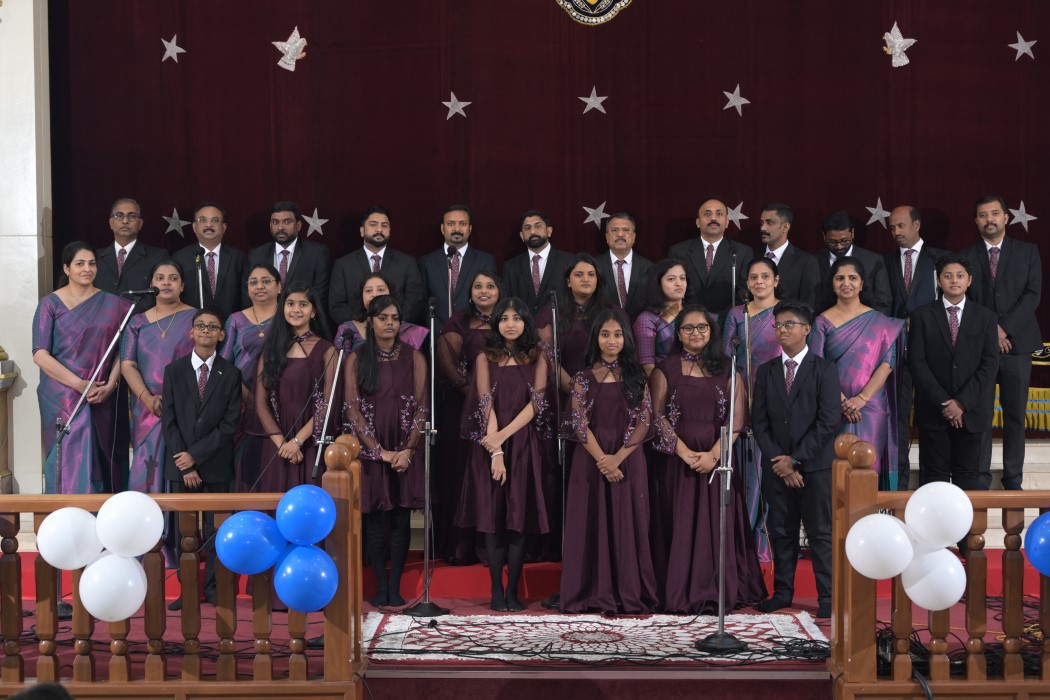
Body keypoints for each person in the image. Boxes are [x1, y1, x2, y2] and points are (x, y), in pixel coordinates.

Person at [650, 305, 766, 612]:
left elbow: (737, 420)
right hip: (677, 464)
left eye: (702, 327)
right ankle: (678, 592)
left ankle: (715, 590)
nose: (695, 333)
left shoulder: (728, 369)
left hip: (719, 463)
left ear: (711, 332)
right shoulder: (665, 369)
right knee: (679, 523)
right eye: (688, 328)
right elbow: (657, 417)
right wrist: (685, 453)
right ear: (678, 334)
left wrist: (715, 454)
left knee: (716, 527)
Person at [457, 297, 553, 611]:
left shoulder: (538, 356)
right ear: (496, 323)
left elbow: (536, 404)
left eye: (517, 318)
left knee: (518, 517)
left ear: (526, 323)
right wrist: (496, 449)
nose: (510, 324)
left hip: (523, 442)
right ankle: (496, 590)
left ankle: (513, 591)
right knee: (493, 517)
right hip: (490, 443)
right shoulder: (485, 357)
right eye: (504, 318)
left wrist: (504, 436)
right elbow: (485, 402)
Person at [560, 310, 657, 614]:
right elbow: (579, 423)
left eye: (617, 334)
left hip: (629, 456)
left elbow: (644, 421)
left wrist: (618, 458)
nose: (611, 340)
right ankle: (591, 591)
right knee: (590, 522)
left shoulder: (637, 376)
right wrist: (603, 459)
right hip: (590, 458)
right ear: (596, 339)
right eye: (605, 334)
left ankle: (629, 591)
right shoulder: (582, 377)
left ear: (626, 339)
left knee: (630, 523)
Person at [752, 300, 841, 619]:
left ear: (806, 329)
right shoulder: (766, 371)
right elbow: (759, 422)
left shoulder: (825, 369)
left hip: (815, 468)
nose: (782, 330)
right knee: (781, 532)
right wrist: (781, 461)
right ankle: (782, 593)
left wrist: (796, 460)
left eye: (789, 324)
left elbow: (828, 422)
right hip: (777, 468)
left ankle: (827, 597)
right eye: (778, 325)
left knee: (820, 533)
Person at [344, 296, 428, 607]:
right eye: (383, 318)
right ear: (371, 321)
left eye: (394, 317)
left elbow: (422, 407)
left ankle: (395, 586)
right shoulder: (356, 358)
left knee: (401, 519)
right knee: (377, 520)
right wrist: (379, 451)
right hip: (372, 452)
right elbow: (352, 409)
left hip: (406, 449)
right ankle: (380, 586)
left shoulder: (414, 357)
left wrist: (408, 450)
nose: (389, 323)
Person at [33, 242, 132, 494]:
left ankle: (101, 514)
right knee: (66, 454)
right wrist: (79, 384)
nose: (87, 269)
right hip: (61, 395)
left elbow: (123, 351)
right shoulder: (50, 304)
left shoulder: (114, 304)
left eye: (92, 263)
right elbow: (40, 355)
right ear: (67, 268)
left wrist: (111, 385)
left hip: (101, 393)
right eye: (80, 263)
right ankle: (65, 511)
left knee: (102, 457)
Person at [162, 309, 243, 608]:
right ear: (191, 332)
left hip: (216, 464)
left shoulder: (231, 374)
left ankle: (214, 588)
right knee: (185, 533)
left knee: (216, 531)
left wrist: (194, 456)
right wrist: (185, 463)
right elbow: (169, 421)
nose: (206, 330)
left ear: (221, 334)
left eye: (212, 326)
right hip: (180, 466)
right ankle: (188, 591)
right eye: (200, 325)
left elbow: (229, 425)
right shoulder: (174, 371)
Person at [962, 195, 1042, 490]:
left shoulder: (1028, 251)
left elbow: (1032, 295)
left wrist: (1004, 329)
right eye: (983, 215)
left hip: (1017, 344)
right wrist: (991, 332)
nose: (990, 219)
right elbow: (963, 300)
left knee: (1015, 416)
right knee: (980, 413)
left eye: (995, 213)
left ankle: (1013, 479)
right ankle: (979, 478)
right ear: (976, 221)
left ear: (1006, 217)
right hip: (980, 347)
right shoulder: (965, 256)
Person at [809, 257, 905, 489]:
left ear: (862, 284)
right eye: (840, 278)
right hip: (832, 408)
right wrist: (842, 402)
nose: (846, 283)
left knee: (868, 469)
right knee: (836, 472)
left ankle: (868, 513)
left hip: (871, 407)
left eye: (853, 278)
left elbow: (887, 364)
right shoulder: (821, 322)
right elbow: (816, 365)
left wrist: (861, 399)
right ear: (832, 284)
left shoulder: (880, 321)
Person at [908, 255, 999, 490]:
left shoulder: (986, 317)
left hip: (971, 412)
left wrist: (961, 403)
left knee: (967, 478)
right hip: (934, 411)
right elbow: (917, 362)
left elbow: (989, 364)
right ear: (939, 281)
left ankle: (965, 520)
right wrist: (944, 402)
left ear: (969, 280)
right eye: (948, 276)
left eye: (960, 276)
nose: (954, 281)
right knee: (934, 480)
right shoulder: (922, 316)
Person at [434, 268, 504, 563]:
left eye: (490, 285)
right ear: (470, 293)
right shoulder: (458, 322)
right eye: (478, 286)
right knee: (463, 472)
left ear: (500, 291)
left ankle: (497, 545)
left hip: (506, 411)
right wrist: (479, 397)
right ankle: (462, 547)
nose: (484, 291)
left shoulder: (511, 320)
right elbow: (449, 366)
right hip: (463, 408)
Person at [721, 256, 784, 564]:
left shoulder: (786, 313)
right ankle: (742, 539)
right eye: (754, 277)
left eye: (765, 276)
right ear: (746, 282)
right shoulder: (737, 314)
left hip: (779, 400)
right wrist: (739, 396)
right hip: (743, 399)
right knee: (747, 473)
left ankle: (767, 537)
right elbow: (726, 360)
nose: (759, 282)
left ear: (776, 280)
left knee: (774, 471)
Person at [884, 205, 949, 490]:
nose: (896, 232)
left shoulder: (940, 258)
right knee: (898, 420)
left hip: (932, 351)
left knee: (933, 417)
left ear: (917, 225)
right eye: (892, 228)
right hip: (896, 351)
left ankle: (934, 486)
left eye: (901, 226)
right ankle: (899, 488)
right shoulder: (884, 261)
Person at [119, 260, 196, 495]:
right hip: (146, 407)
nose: (166, 283)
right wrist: (147, 398)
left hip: (185, 407)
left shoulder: (196, 319)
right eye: (160, 278)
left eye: (173, 278)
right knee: (146, 466)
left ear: (182, 285)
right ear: (151, 284)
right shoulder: (136, 322)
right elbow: (128, 364)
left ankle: (178, 518)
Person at [255, 283, 336, 491]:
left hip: (311, 440)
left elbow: (328, 404)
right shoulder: (270, 350)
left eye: (303, 304)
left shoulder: (327, 350)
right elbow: (261, 404)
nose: (296, 310)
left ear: (313, 312)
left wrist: (297, 442)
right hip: (276, 441)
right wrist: (283, 445)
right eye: (290, 304)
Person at [221, 263, 282, 490]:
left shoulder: (288, 316)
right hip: (241, 402)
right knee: (244, 465)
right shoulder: (236, 320)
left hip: (280, 403)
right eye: (253, 282)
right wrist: (249, 398)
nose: (260, 286)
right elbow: (225, 365)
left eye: (266, 281)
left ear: (279, 287)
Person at [329, 207, 425, 325]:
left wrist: (392, 324)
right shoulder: (343, 265)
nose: (379, 229)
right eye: (373, 224)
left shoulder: (407, 263)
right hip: (358, 332)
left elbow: (414, 302)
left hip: (397, 331)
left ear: (390, 230)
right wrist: (366, 325)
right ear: (362, 231)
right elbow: (337, 306)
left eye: (384, 225)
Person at [537, 253, 619, 391]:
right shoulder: (550, 312)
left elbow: (622, 356)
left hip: (604, 389)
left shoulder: (613, 313)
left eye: (591, 275)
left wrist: (595, 392)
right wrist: (575, 391)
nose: (585, 279)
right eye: (579, 275)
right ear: (568, 282)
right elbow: (548, 359)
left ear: (598, 280)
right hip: (561, 390)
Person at [669, 196, 754, 322]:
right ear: (698, 222)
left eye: (719, 214)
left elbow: (744, 293)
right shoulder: (679, 251)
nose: (713, 218)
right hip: (688, 322)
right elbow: (672, 290)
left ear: (727, 222)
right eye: (707, 214)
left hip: (728, 322)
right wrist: (692, 317)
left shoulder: (742, 252)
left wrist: (720, 318)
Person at [247, 201, 331, 323]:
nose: (280, 227)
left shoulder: (317, 253)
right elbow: (249, 295)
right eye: (275, 222)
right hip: (265, 324)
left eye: (287, 222)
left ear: (298, 225)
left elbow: (320, 297)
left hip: (303, 323)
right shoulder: (256, 254)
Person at [418, 204, 498, 332]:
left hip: (474, 334)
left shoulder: (485, 261)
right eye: (451, 224)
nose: (457, 228)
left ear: (470, 229)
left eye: (463, 224)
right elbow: (421, 303)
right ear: (442, 228)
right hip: (437, 334)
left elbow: (491, 300)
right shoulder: (427, 262)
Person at [94, 198, 168, 314]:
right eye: (119, 216)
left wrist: (129, 316)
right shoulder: (95, 257)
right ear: (110, 222)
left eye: (132, 216)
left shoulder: (157, 256)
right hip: (99, 321)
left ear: (140, 223)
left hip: (141, 321)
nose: (125, 220)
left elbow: (160, 294)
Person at [815, 210, 891, 315]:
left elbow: (883, 304)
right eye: (832, 242)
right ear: (824, 236)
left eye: (845, 240)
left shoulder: (873, 261)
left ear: (853, 233)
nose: (839, 246)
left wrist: (871, 324)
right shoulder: (813, 261)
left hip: (867, 323)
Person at [502, 210, 575, 314]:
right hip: (524, 323)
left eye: (538, 226)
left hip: (560, 323)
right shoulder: (511, 267)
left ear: (549, 231)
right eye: (527, 228)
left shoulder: (569, 261)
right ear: (522, 235)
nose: (533, 231)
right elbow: (507, 304)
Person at [333, 273, 428, 352]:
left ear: (391, 295)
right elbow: (341, 366)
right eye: (368, 291)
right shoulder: (347, 330)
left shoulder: (409, 331)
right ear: (361, 298)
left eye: (381, 290)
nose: (375, 294)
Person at [757, 203, 820, 309]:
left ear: (785, 227)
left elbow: (809, 305)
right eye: (762, 223)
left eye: (769, 222)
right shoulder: (752, 257)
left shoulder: (806, 262)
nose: (763, 228)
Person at [632, 259, 689, 376]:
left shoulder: (695, 314)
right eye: (671, 279)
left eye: (682, 278)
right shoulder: (647, 319)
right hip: (664, 381)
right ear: (658, 284)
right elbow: (647, 366)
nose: (679, 283)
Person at [595, 212, 653, 316]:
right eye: (614, 230)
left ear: (634, 236)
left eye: (626, 230)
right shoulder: (594, 266)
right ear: (606, 237)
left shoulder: (649, 268)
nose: (620, 234)